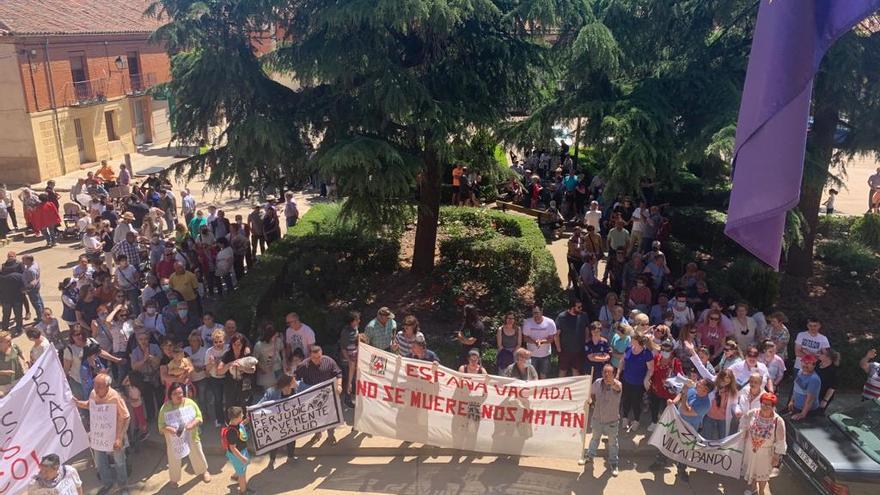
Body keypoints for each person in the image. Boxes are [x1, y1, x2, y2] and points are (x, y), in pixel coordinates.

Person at [73, 374, 130, 495]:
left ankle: (123, 485)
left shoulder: (115, 397)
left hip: (115, 435)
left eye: (100, 386)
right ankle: (107, 483)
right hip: (99, 435)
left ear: (108, 386)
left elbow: (125, 417)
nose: (96, 388)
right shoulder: (94, 393)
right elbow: (90, 405)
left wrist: (119, 438)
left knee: (119, 461)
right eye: (95, 385)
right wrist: (78, 403)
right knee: (100, 461)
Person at [657, 378, 713, 481]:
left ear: (706, 390)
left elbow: (685, 411)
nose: (697, 383)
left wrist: (685, 395)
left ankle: (681, 470)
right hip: (676, 422)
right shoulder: (693, 389)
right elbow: (681, 394)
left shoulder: (705, 404)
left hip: (689, 429)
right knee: (667, 442)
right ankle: (660, 461)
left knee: (684, 449)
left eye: (700, 384)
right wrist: (673, 401)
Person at [158, 382, 211, 487]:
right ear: (170, 396)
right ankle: (174, 479)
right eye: (176, 394)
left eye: (181, 393)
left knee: (197, 453)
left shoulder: (190, 403)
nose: (179, 396)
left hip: (191, 435)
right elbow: (160, 426)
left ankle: (203, 471)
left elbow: (199, 417)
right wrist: (169, 429)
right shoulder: (165, 408)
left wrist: (193, 424)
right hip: (174, 440)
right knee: (173, 460)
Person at [740, 393, 787, 495]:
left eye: (768, 405)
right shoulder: (753, 413)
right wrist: (743, 434)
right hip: (750, 449)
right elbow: (744, 422)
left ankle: (761, 491)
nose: (765, 406)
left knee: (762, 474)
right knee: (752, 470)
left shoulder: (778, 421)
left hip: (766, 454)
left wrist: (777, 456)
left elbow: (781, 441)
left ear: (773, 406)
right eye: (763, 403)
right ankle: (753, 489)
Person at [294, 345, 343, 443]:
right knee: (315, 416)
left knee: (331, 416)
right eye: (314, 358)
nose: (317, 360)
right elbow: (295, 379)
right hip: (312, 397)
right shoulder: (303, 365)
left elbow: (338, 374)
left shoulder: (329, 361)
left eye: (319, 357)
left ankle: (331, 435)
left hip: (328, 394)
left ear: (322, 354)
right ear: (310, 356)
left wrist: (339, 385)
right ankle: (317, 433)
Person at [580, 364, 622, 475]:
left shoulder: (617, 384)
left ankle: (613, 463)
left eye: (609, 372)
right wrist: (590, 399)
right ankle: (590, 456)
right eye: (604, 372)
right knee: (594, 439)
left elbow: (617, 388)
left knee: (613, 443)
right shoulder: (598, 382)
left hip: (612, 420)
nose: (606, 374)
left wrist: (611, 382)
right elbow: (591, 393)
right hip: (597, 418)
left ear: (613, 374)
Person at [258, 374, 300, 468]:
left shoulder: (297, 389)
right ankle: (272, 460)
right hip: (276, 421)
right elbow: (261, 404)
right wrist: (251, 413)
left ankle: (290, 457)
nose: (296, 382)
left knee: (292, 439)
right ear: (288, 384)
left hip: (291, 420)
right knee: (275, 440)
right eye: (294, 380)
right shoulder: (272, 392)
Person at [616, 334, 654, 433]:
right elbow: (622, 361)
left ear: (637, 341)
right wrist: (618, 373)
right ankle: (625, 418)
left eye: (632, 339)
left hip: (638, 383)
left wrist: (646, 379)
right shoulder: (629, 348)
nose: (630, 341)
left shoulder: (647, 353)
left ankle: (636, 420)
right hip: (626, 380)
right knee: (626, 400)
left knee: (636, 402)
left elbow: (651, 369)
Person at [646, 341, 682, 432]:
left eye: (667, 350)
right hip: (655, 389)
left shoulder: (675, 362)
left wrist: (670, 381)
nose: (664, 352)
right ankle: (654, 422)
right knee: (654, 407)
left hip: (669, 394)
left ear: (671, 351)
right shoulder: (657, 358)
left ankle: (667, 428)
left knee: (667, 411)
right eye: (663, 350)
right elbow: (652, 371)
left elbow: (680, 377)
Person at [218, 334, 255, 411]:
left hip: (244, 384)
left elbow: (253, 369)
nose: (236, 347)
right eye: (234, 344)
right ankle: (230, 423)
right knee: (230, 407)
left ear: (242, 345)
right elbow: (219, 371)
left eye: (239, 344)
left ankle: (245, 422)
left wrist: (242, 367)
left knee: (245, 406)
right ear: (231, 344)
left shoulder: (246, 354)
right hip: (230, 384)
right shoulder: (227, 354)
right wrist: (230, 364)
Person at [223, 406, 254, 495]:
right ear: (236, 418)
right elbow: (233, 448)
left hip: (241, 451)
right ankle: (243, 491)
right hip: (237, 455)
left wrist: (247, 420)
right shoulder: (232, 432)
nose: (243, 415)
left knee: (241, 470)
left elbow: (241, 424)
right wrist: (242, 458)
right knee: (242, 474)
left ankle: (236, 476)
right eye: (242, 415)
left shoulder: (236, 424)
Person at [522, 304, 557, 379]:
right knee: (530, 376)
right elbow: (525, 338)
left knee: (543, 376)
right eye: (534, 313)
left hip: (545, 355)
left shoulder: (550, 322)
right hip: (531, 355)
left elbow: (552, 339)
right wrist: (535, 341)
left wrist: (542, 341)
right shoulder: (528, 322)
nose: (535, 315)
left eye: (537, 313)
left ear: (541, 312)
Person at [555, 298, 586, 377]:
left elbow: (586, 329)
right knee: (563, 370)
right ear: (572, 307)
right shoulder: (562, 317)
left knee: (576, 370)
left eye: (581, 307)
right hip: (565, 350)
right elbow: (556, 334)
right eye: (578, 307)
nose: (581, 309)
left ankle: (576, 389)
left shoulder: (583, 315)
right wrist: (559, 349)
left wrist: (585, 342)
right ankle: (560, 389)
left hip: (578, 350)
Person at [204, 329, 228, 427]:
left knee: (228, 399)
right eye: (215, 342)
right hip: (215, 378)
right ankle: (219, 419)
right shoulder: (209, 352)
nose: (218, 344)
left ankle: (228, 418)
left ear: (224, 341)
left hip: (227, 377)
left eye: (220, 341)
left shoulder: (228, 349)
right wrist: (211, 363)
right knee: (218, 399)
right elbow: (206, 370)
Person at [338, 311, 361, 408]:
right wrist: (349, 359)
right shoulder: (345, 332)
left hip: (354, 358)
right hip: (346, 360)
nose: (359, 321)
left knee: (354, 379)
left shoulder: (355, 328)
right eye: (356, 320)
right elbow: (343, 348)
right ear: (351, 321)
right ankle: (347, 399)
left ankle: (353, 396)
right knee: (348, 380)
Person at [253, 323, 283, 396]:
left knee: (280, 392)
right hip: (266, 373)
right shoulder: (259, 345)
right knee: (269, 394)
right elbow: (254, 359)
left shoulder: (278, 341)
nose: (276, 336)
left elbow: (283, 351)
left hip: (278, 369)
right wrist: (261, 368)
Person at [0, 263, 25, 336]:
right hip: (17, 299)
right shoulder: (19, 276)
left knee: (6, 315)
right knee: (18, 315)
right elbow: (23, 288)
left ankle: (5, 329)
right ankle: (19, 328)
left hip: (5, 299)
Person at [0, 330, 25, 397]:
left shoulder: (13, 346)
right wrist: (4, 372)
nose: (10, 342)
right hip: (5, 384)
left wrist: (24, 359)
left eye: (11, 340)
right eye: (8, 341)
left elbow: (20, 352)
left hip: (19, 377)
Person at [815, 348, 839, 413]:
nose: (819, 354)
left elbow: (832, 387)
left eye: (822, 353)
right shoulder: (817, 364)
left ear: (828, 357)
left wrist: (825, 400)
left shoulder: (833, 371)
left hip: (822, 395)